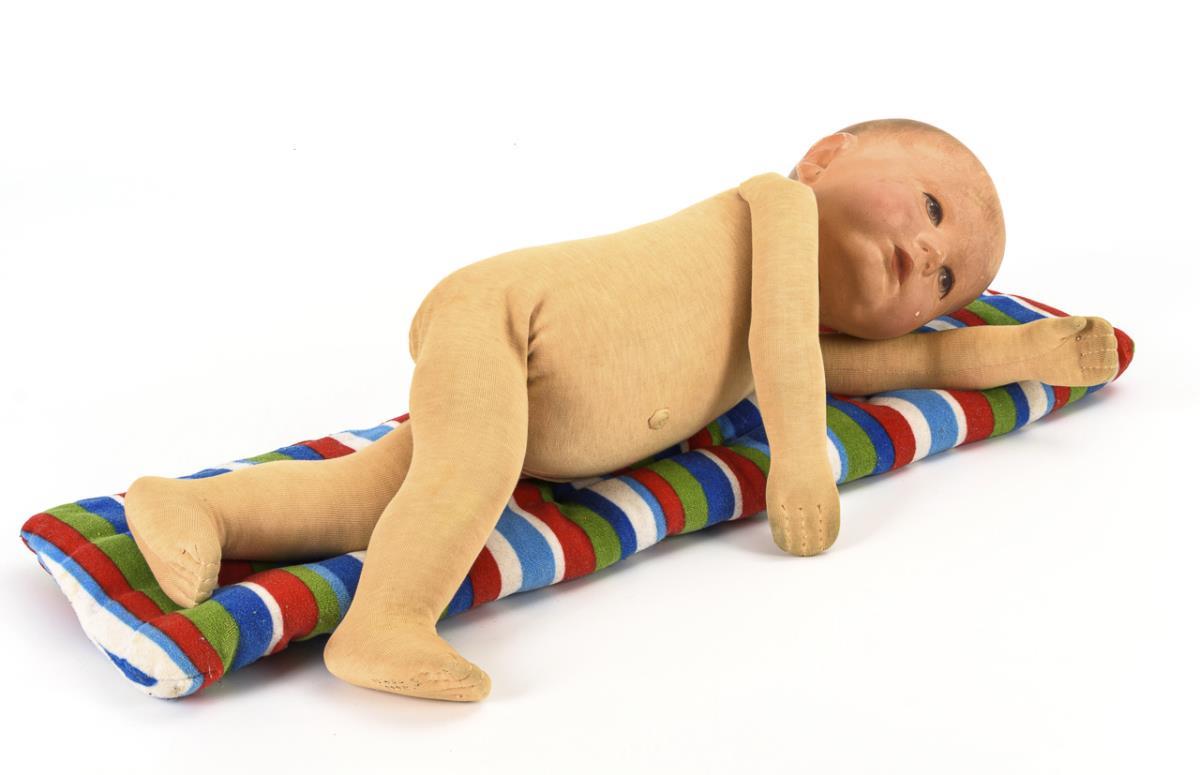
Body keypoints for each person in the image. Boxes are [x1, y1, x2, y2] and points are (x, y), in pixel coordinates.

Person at [123, 118, 1118, 702]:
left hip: (530, 416)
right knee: (463, 477)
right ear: (826, 155)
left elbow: (906, 362)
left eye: (945, 281)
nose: (928, 255)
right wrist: (798, 462)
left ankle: (198, 508)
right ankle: (384, 620)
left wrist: (1031, 350)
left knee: (383, 490)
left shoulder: (805, 325)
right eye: (933, 209)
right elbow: (784, 350)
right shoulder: (780, 206)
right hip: (510, 319)